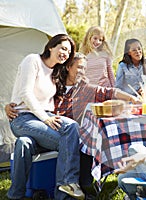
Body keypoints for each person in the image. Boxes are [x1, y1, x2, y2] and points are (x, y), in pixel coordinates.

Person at [5, 52, 141, 199]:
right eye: (80, 67)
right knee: (24, 142)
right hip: (42, 130)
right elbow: (29, 94)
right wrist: (10, 106)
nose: (83, 72)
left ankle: (64, 191)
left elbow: (109, 92)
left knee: (29, 141)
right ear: (69, 67)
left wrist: (132, 98)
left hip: (61, 136)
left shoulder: (84, 89)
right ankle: (18, 193)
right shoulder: (52, 84)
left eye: (85, 69)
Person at [6, 34, 86, 200]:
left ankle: (16, 195)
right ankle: (65, 189)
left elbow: (73, 83)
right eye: (63, 48)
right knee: (68, 142)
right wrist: (45, 119)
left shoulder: (56, 72)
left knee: (25, 143)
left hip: (45, 117)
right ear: (51, 46)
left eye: (68, 51)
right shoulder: (33, 60)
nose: (65, 53)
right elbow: (25, 93)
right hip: (23, 118)